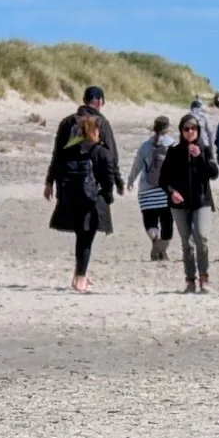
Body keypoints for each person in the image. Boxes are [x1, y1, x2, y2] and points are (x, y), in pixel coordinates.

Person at [46, 114, 115, 293]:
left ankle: (78, 276)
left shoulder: (70, 148)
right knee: (86, 241)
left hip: (73, 199)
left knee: (80, 239)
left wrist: (53, 186)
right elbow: (108, 178)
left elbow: (59, 169)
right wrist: (107, 197)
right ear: (95, 130)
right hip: (92, 201)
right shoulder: (100, 151)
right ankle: (80, 279)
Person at [158, 114, 219, 294]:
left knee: (201, 237)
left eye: (193, 129)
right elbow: (163, 179)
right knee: (187, 242)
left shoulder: (205, 149)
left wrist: (199, 157)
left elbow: (213, 173)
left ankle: (204, 277)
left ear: (198, 131)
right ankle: (190, 280)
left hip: (202, 201)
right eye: (186, 129)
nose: (190, 132)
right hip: (180, 204)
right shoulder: (174, 151)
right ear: (181, 131)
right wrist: (172, 192)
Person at [49, 86, 124, 199]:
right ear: (100, 101)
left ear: (84, 100)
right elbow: (111, 157)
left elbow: (57, 155)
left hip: (67, 187)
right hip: (94, 190)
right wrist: (118, 182)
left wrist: (49, 182)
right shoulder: (101, 123)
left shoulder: (67, 122)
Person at [127, 116, 176, 261]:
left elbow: (137, 165)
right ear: (167, 128)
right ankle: (161, 248)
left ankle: (155, 241)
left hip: (146, 190)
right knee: (167, 223)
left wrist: (130, 180)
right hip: (166, 191)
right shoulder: (172, 144)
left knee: (150, 221)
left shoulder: (145, 146)